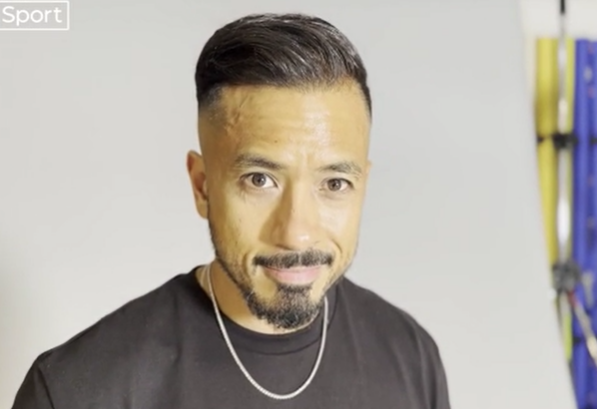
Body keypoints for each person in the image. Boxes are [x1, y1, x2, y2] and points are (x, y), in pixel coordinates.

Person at [11, 12, 451, 409]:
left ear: (363, 187)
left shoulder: (411, 355)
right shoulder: (76, 390)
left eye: (335, 183)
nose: (296, 234)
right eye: (260, 180)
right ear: (202, 186)